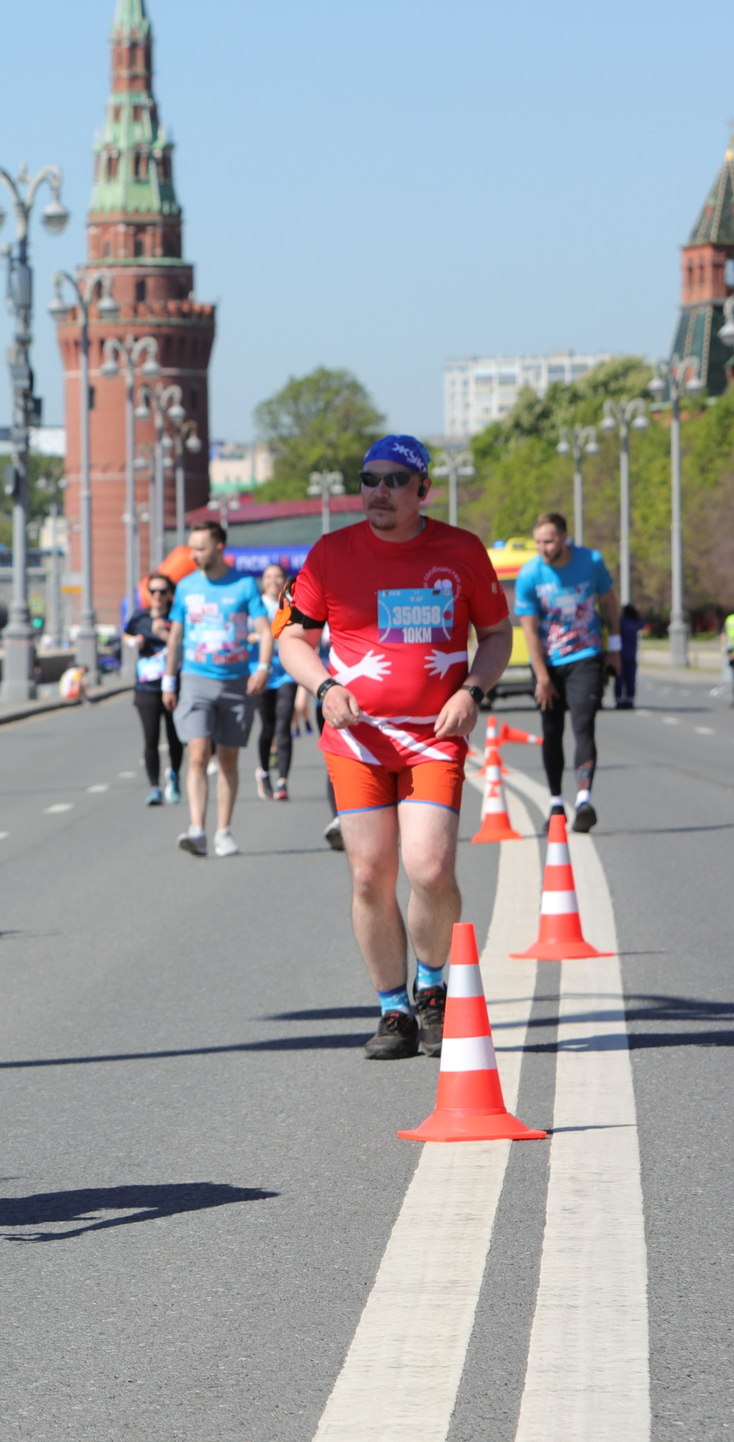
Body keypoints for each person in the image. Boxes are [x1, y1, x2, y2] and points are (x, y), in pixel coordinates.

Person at [276, 436, 511, 1062]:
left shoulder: (460, 550)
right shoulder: (331, 553)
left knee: (430, 869)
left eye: (394, 481)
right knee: (367, 875)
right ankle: (393, 1009)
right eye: (369, 479)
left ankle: (432, 990)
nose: (378, 491)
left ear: (423, 490)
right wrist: (323, 686)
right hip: (357, 740)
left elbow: (495, 634)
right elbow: (293, 637)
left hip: (435, 736)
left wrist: (472, 690)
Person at [163, 521, 271, 857]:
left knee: (227, 759)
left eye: (200, 548)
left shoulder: (243, 586)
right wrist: (170, 679)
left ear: (219, 547)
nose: (193, 555)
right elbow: (176, 636)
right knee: (197, 754)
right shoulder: (186, 587)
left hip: (236, 681)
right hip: (195, 679)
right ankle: (197, 829)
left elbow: (265, 632)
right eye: (192, 548)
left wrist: (263, 668)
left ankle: (223, 831)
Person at [514, 512, 617, 834]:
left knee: (584, 724)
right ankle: (556, 802)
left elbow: (609, 603)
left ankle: (584, 800)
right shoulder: (531, 574)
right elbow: (529, 630)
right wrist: (542, 677)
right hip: (548, 662)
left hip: (586, 655)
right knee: (552, 729)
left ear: (564, 537)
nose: (544, 548)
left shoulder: (591, 561)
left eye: (550, 541)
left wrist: (614, 648)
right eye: (539, 542)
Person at [124, 575, 185, 806]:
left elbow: (183, 645)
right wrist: (132, 642)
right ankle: (154, 787)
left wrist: (163, 635)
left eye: (162, 591)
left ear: (170, 594)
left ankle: (175, 775)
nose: (157, 596)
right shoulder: (139, 617)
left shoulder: (177, 617)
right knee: (151, 738)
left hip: (173, 686)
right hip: (146, 687)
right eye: (153, 591)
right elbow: (126, 633)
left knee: (174, 737)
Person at [254, 561, 298, 802]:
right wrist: (257, 637)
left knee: (283, 726)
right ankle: (263, 772)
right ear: (263, 581)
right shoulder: (256, 606)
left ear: (284, 580)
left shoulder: (292, 604)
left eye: (277, 576)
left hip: (287, 673)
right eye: (268, 577)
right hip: (261, 673)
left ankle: (282, 781)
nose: (273, 580)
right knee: (268, 727)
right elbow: (244, 633)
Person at [615, 602, 644, 709]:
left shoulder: (621, 622)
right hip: (631, 655)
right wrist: (638, 613)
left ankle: (619, 700)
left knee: (620, 679)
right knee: (630, 679)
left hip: (620, 654)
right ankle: (629, 700)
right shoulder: (635, 623)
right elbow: (642, 623)